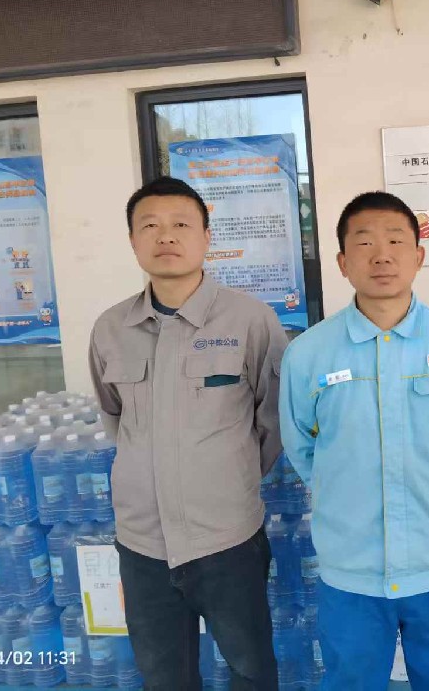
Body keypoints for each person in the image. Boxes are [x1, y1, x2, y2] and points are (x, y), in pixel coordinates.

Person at [279, 191, 429, 690]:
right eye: (365, 243)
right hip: (351, 569)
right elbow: (303, 449)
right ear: (342, 262)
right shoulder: (308, 355)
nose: (382, 255)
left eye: (396, 241)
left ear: (418, 256)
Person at [88, 176, 286, 690]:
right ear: (133, 240)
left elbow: (273, 421)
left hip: (227, 540)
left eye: (181, 224)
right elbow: (116, 418)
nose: (166, 236)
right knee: (164, 676)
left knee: (250, 670)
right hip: (142, 546)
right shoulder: (110, 328)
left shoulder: (251, 320)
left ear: (206, 237)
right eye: (150, 226)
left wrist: (226, 478)